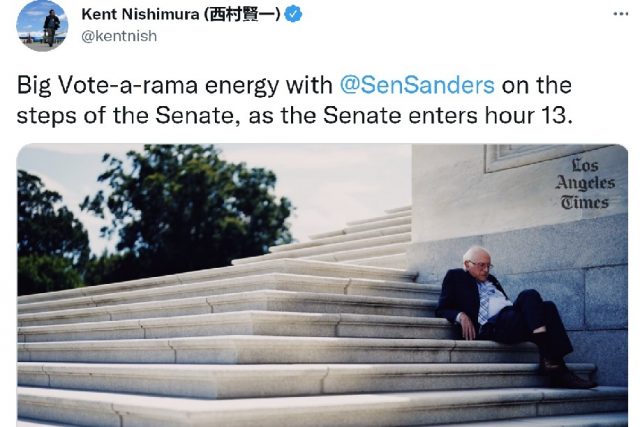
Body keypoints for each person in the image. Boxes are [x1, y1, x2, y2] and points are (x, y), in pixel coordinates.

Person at [435, 245, 597, 389]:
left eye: (488, 266)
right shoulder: (455, 276)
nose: (486, 270)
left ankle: (553, 365)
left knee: (548, 306)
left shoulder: (492, 280)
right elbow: (442, 308)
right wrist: (460, 315)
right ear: (466, 264)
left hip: (510, 318)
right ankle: (551, 357)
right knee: (529, 294)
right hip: (491, 326)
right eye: (481, 265)